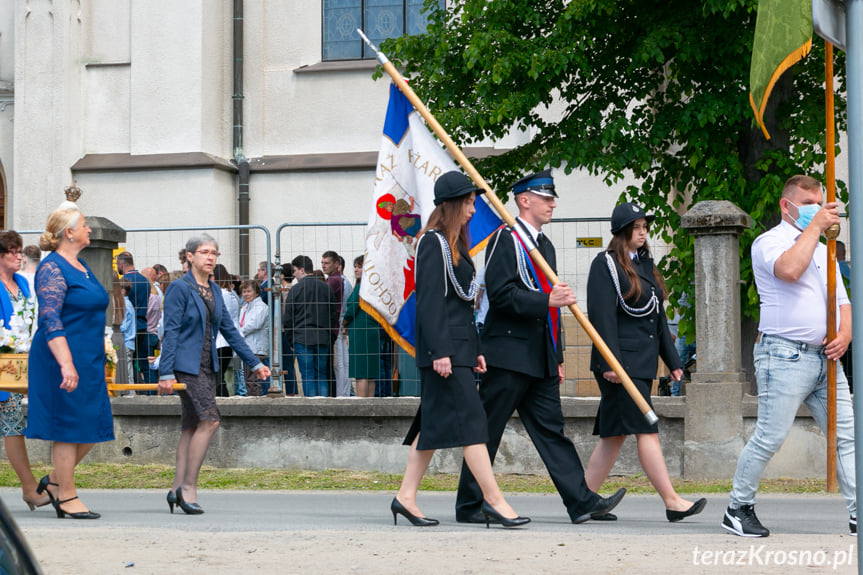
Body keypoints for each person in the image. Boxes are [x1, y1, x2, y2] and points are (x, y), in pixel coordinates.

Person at [455, 169, 625, 525]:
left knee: (552, 431)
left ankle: (580, 501)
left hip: (539, 357)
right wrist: (546, 300)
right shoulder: (506, 239)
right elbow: (501, 296)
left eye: (552, 198)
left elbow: (556, 307)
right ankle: (470, 505)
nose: (552, 203)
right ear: (524, 200)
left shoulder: (543, 244)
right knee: (486, 431)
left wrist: (558, 356)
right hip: (508, 354)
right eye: (545, 198)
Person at [394, 170, 529, 528]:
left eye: (473, 203)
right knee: (473, 424)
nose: (472, 210)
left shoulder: (454, 245)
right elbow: (430, 304)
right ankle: (494, 500)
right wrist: (441, 352)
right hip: (444, 354)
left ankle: (405, 498)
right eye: (468, 203)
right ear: (451, 205)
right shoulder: (432, 243)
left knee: (431, 426)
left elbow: (463, 305)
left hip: (460, 350)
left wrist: (476, 349)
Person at [723, 175, 855, 537]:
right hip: (784, 355)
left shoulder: (824, 249)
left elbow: (842, 301)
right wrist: (814, 226)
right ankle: (738, 507)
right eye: (808, 201)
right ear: (787, 205)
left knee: (846, 435)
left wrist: (844, 335)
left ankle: (859, 511)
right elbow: (790, 270)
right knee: (771, 435)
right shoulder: (771, 242)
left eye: (820, 201)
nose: (816, 207)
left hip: (825, 357)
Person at [584, 202, 706, 522]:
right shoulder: (606, 264)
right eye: (637, 227)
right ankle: (672, 501)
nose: (643, 232)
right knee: (647, 429)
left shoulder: (645, 265)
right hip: (619, 365)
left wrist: (673, 360)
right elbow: (601, 317)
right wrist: (611, 362)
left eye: (645, 227)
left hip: (640, 363)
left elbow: (657, 318)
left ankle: (583, 499)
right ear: (623, 231)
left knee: (614, 434)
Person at [158, 234, 271, 514]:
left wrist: (255, 363)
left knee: (191, 427)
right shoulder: (179, 288)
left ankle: (175, 490)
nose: (210, 257)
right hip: (187, 366)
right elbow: (170, 331)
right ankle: (188, 488)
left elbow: (230, 331)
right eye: (204, 252)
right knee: (210, 421)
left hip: (208, 366)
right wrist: (165, 371)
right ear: (189, 256)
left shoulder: (215, 290)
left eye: (214, 253)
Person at [25, 203, 113, 519]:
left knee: (95, 423)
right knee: (68, 426)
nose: (90, 229)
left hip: (87, 357)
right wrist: (65, 362)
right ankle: (67, 496)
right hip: (59, 356)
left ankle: (53, 482)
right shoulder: (52, 268)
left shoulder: (82, 266)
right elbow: (50, 318)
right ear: (69, 232)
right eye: (85, 224)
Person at [0, 232, 50, 511]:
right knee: (12, 427)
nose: (20, 257)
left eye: (20, 251)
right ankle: (30, 489)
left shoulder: (22, 283)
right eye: (13, 252)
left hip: (13, 368)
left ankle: (30, 488)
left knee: (12, 426)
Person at [283, 255, 337, 398]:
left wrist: (291, 339)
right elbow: (333, 316)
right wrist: (331, 337)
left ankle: (310, 409)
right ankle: (323, 409)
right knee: (322, 374)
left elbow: (288, 319)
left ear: (302, 270)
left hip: (302, 337)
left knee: (307, 374)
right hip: (323, 337)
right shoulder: (326, 289)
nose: (293, 275)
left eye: (294, 271)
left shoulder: (295, 290)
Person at [116, 252, 156, 384]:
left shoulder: (123, 283)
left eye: (117, 264)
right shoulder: (144, 280)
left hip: (128, 329)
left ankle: (134, 392)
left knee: (128, 365)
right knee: (145, 365)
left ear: (121, 264)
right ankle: (151, 395)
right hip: (142, 325)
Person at [342, 255, 379, 397]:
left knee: (361, 371)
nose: (356, 270)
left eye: (360, 266)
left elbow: (352, 308)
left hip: (360, 331)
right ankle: (370, 406)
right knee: (370, 372)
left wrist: (343, 323)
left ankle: (362, 406)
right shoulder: (375, 285)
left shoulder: (362, 286)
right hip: (372, 328)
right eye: (355, 267)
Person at [213, 264, 241, 397]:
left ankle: (222, 401)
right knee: (220, 376)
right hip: (227, 341)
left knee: (217, 377)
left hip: (220, 340)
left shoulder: (221, 294)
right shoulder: (232, 294)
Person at [239, 280, 269, 397]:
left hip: (256, 348)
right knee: (248, 378)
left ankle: (255, 400)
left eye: (249, 291)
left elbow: (254, 324)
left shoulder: (261, 307)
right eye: (244, 291)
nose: (246, 294)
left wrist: (238, 334)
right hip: (247, 347)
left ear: (256, 292)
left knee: (253, 379)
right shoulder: (245, 307)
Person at [322, 251, 345, 397]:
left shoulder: (333, 281)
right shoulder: (334, 279)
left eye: (327, 263)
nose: (324, 266)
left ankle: (334, 395)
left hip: (331, 327)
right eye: (322, 263)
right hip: (334, 326)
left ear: (336, 264)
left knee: (333, 366)